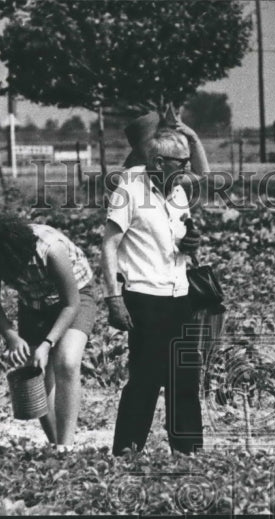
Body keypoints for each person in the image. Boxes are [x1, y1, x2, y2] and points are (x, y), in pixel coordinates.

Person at [102, 127, 203, 456]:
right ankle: (127, 452)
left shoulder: (178, 191)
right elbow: (109, 245)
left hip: (180, 294)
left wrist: (192, 242)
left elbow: (183, 237)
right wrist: (113, 298)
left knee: (184, 379)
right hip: (144, 297)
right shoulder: (129, 188)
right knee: (144, 379)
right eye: (181, 163)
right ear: (159, 162)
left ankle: (187, 452)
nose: (187, 170)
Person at [0, 212, 96, 446]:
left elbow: (71, 303)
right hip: (33, 303)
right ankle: (55, 443)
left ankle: (66, 448)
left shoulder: (50, 250)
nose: (5, 277)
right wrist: (12, 337)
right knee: (35, 368)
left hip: (74, 297)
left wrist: (47, 344)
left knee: (67, 362)